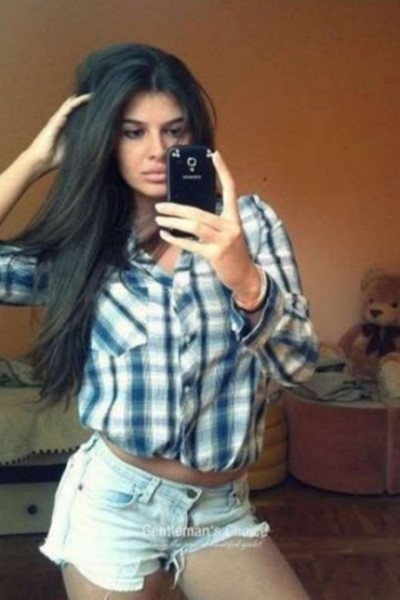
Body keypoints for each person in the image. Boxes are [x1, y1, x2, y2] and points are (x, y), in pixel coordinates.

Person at [0, 43, 318, 600]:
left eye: (174, 131)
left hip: (219, 512)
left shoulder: (250, 225)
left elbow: (298, 366)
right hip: (115, 504)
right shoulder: (88, 246)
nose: (157, 150)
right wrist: (33, 159)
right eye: (132, 132)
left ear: (195, 137)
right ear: (105, 140)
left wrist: (245, 279)